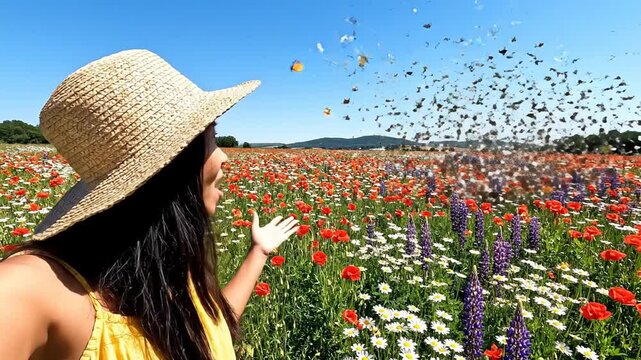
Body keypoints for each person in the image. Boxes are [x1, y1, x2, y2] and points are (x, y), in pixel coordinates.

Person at [0, 49, 299, 360]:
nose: (224, 158)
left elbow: (208, 335)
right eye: (212, 136)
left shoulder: (165, 264)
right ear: (173, 164)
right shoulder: (32, 290)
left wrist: (259, 251)